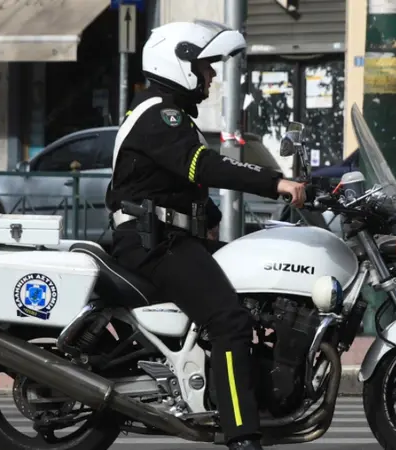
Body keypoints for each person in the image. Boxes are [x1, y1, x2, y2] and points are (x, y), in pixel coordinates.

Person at [106, 20, 307, 450]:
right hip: (152, 243)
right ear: (178, 63)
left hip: (168, 238)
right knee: (228, 320)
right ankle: (242, 435)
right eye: (204, 66)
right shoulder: (159, 115)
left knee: (256, 288)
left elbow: (174, 184)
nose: (211, 75)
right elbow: (203, 166)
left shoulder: (169, 115)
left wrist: (211, 216)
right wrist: (274, 182)